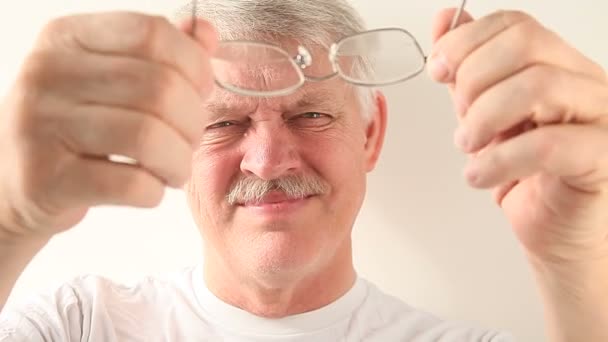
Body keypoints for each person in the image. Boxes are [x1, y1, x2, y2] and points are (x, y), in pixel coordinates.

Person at [0, 0, 606, 340]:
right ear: (177, 141)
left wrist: (575, 259)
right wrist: (8, 220)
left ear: (370, 133)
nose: (267, 160)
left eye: (312, 112)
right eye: (223, 123)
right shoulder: (79, 326)